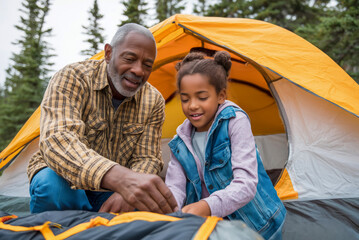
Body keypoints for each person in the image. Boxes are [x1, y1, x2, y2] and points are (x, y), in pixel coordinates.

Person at [27, 23, 178, 214]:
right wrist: (119, 177)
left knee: (143, 207)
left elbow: (147, 158)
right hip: (63, 176)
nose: (139, 71)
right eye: (130, 59)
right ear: (108, 53)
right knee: (51, 190)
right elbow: (58, 140)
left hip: (112, 190)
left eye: (147, 65)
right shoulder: (72, 77)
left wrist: (127, 191)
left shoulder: (153, 100)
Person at [165, 51, 286, 239]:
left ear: (221, 96)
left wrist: (206, 206)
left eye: (202, 97)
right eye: (185, 98)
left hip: (258, 225)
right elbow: (175, 187)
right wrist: (171, 211)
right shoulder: (180, 142)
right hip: (212, 226)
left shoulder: (234, 121)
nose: (192, 106)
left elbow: (245, 184)